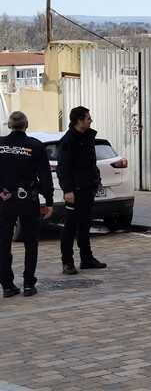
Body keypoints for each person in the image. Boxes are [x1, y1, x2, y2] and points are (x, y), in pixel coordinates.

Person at [0, 111, 54, 298]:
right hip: (27, 200)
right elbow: (45, 176)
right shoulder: (35, 146)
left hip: (4, 200)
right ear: (26, 124)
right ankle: (29, 283)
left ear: (9, 125)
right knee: (31, 243)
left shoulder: (0, 144)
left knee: (3, 243)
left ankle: (7, 285)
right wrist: (48, 201)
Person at [58, 106, 106, 275]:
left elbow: (90, 163)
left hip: (87, 188)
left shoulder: (88, 137)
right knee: (70, 227)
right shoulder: (68, 140)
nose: (90, 120)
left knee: (85, 225)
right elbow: (63, 168)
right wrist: (68, 190)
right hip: (74, 191)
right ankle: (67, 262)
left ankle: (86, 258)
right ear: (79, 120)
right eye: (88, 118)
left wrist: (96, 180)